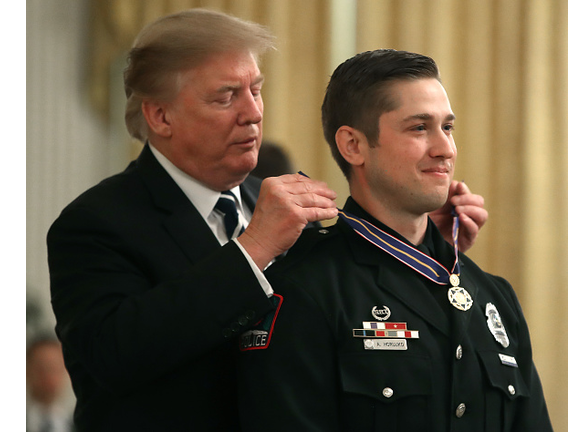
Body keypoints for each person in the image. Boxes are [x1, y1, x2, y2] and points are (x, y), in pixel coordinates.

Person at [46, 9, 486, 431]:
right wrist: (253, 249)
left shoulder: (285, 209)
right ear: (160, 116)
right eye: (226, 96)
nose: (253, 112)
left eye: (256, 89)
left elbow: (361, 309)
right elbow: (114, 358)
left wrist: (426, 240)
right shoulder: (95, 224)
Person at [237, 49, 551, 431]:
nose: (445, 149)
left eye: (447, 127)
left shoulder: (494, 296)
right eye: (419, 128)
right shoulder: (305, 288)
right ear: (353, 145)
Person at [26, 336, 74, 432]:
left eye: (55, 368)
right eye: (42, 369)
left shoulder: (78, 425)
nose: (49, 377)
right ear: (27, 371)